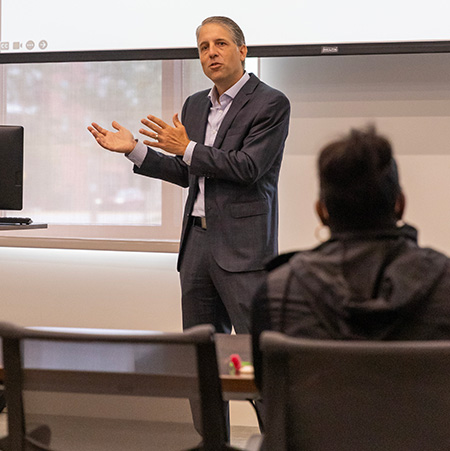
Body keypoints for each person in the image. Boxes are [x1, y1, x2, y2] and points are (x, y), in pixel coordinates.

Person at [88, 16, 290, 337]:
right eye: (203, 47)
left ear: (242, 50)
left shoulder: (270, 102)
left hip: (243, 247)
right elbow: (187, 170)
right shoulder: (195, 104)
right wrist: (135, 149)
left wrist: (187, 147)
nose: (211, 53)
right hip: (196, 243)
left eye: (220, 44)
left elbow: (247, 167)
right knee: (201, 347)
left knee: (255, 346)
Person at [252, 125, 450, 388]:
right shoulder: (445, 282)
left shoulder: (276, 293)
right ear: (400, 203)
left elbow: (267, 391)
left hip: (317, 431)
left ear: (321, 211)